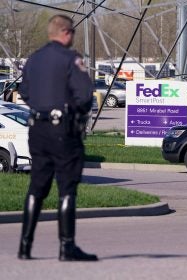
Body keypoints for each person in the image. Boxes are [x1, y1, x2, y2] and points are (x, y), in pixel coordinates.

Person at [18, 15, 97, 261]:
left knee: (37, 187)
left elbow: (24, 92)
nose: (73, 36)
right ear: (65, 32)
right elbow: (85, 95)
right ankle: (67, 247)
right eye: (72, 32)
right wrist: (72, 113)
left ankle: (24, 246)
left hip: (37, 129)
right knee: (66, 188)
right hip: (63, 130)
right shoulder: (70, 59)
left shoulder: (34, 59)